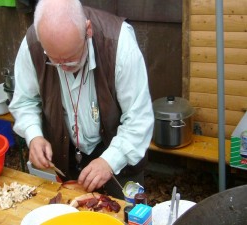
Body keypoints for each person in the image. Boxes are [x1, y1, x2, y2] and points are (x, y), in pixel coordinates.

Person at [9, 0, 154, 199]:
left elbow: (139, 118)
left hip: (118, 153)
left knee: (123, 215)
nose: (63, 67)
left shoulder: (119, 42)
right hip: (64, 153)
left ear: (88, 30)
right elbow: (25, 100)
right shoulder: (33, 43)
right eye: (54, 60)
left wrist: (110, 161)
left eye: (70, 58)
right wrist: (33, 134)